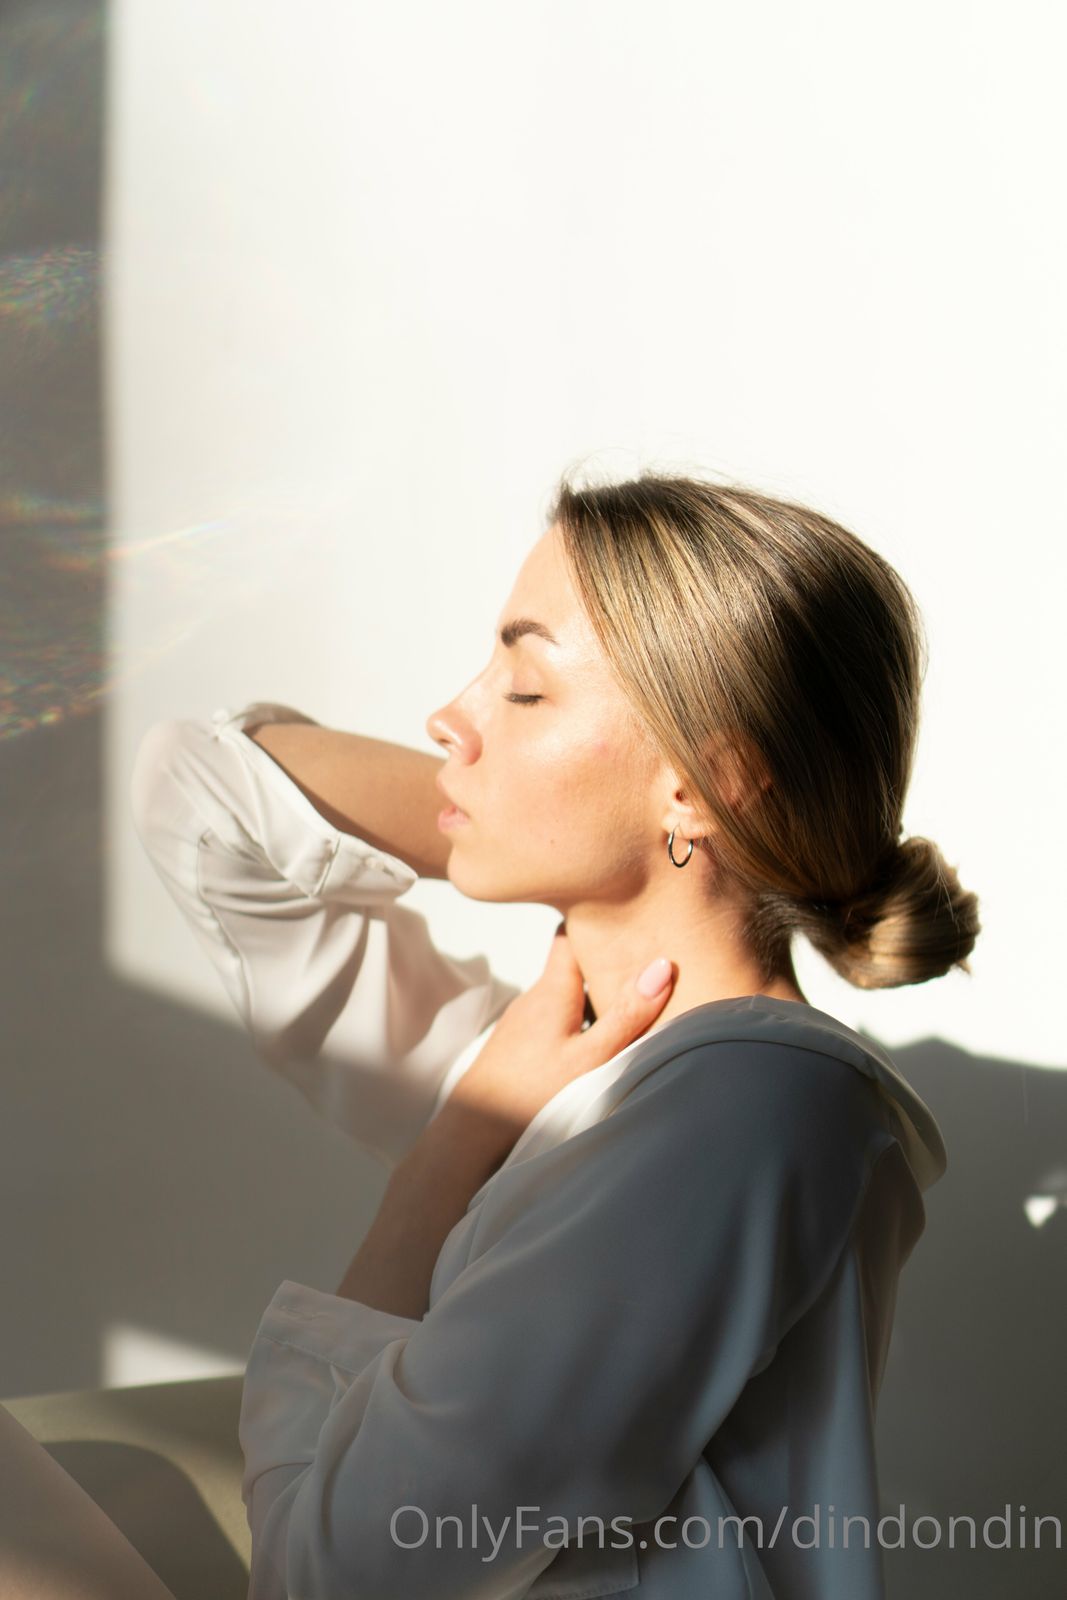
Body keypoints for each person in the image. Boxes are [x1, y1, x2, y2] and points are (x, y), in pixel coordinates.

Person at [129, 469, 980, 1599]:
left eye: (524, 690)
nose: (448, 719)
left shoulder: (741, 1110)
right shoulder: (553, 1064)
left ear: (703, 785)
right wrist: (519, 831)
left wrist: (451, 1148)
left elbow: (343, 1575)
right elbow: (201, 792)